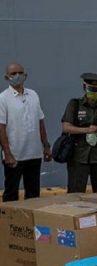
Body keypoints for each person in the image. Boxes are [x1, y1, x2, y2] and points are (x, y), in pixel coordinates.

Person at [0, 63, 51, 201]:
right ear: (7, 77)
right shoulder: (3, 98)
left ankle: (30, 223)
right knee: (11, 193)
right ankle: (11, 222)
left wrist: (46, 146)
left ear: (25, 75)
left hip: (34, 154)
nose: (17, 76)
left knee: (33, 194)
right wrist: (8, 154)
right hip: (14, 156)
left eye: (20, 72)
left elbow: (40, 121)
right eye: (13, 73)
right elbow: (1, 128)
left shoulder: (33, 95)